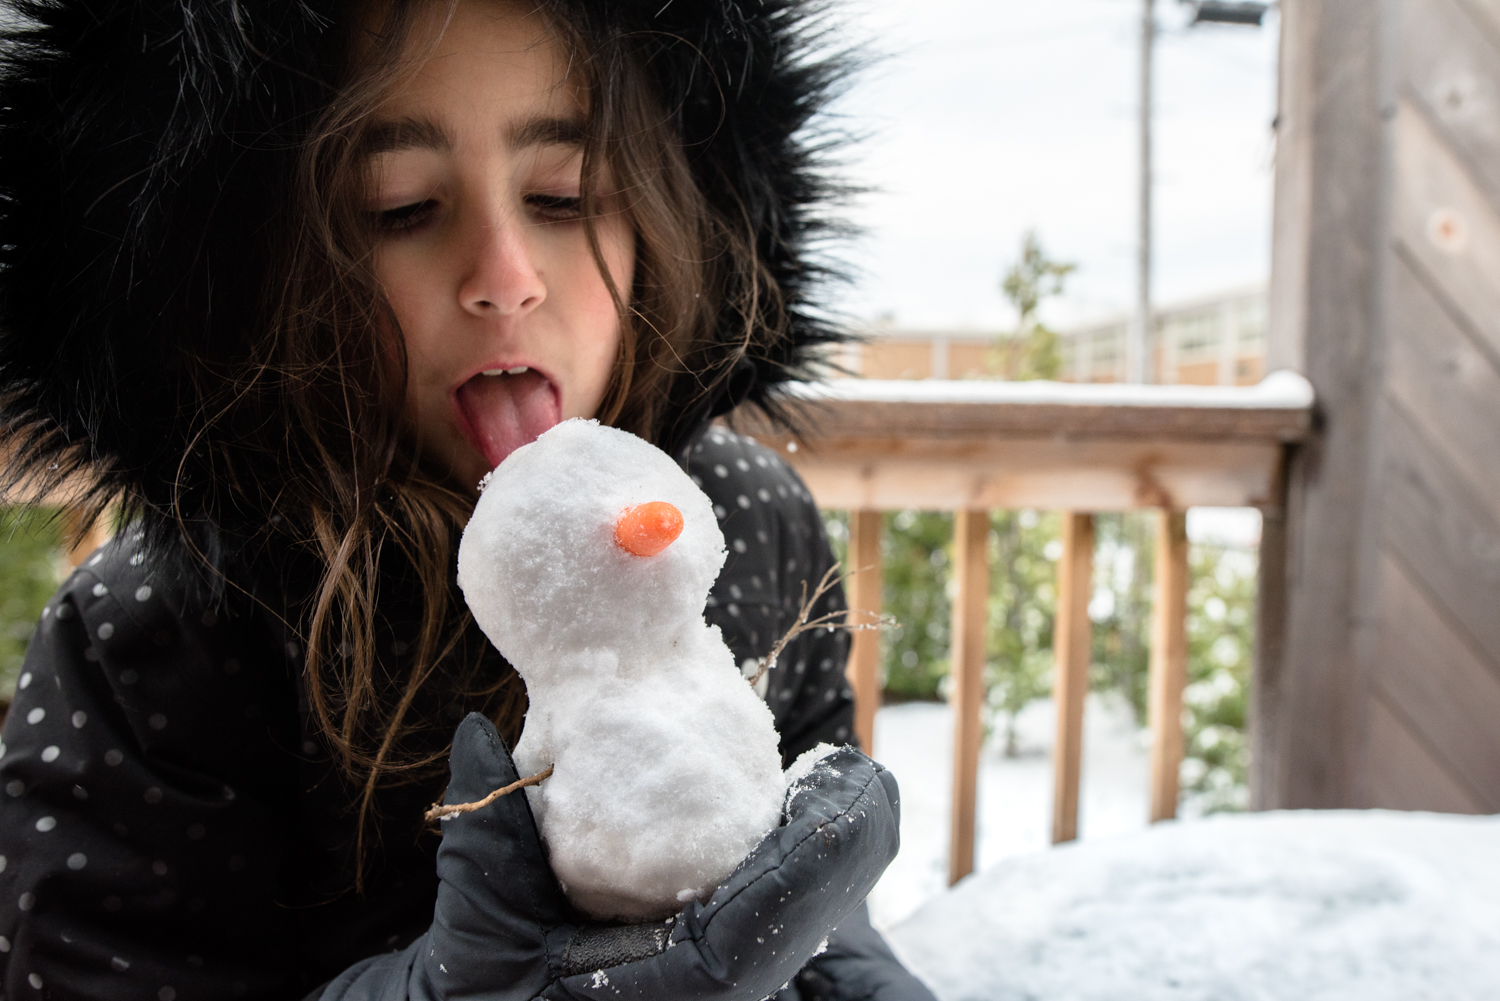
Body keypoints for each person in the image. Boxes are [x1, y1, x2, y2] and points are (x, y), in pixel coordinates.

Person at [0, 0, 939, 998]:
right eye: (399, 206)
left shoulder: (742, 522)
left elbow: (825, 914)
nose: (505, 276)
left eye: (565, 194)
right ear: (258, 271)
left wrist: (854, 977)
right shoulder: (155, 634)